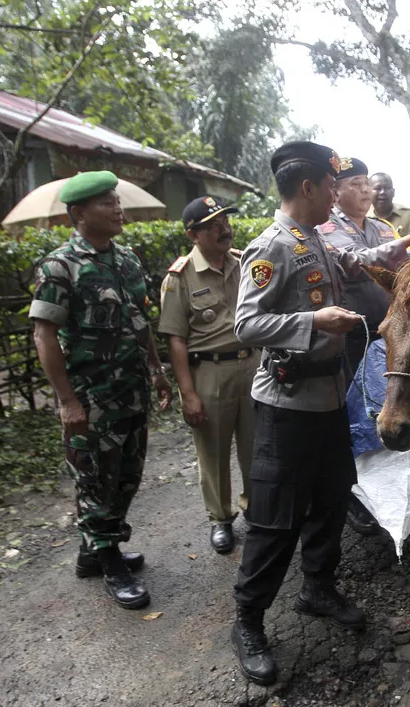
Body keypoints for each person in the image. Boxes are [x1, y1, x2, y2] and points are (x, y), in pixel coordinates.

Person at [230, 141, 410, 686]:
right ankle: (248, 619)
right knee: (275, 517)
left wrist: (399, 250)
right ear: (309, 188)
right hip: (287, 406)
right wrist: (314, 321)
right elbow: (245, 325)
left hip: (328, 400)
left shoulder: (316, 239)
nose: (340, 194)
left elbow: (356, 262)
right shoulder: (271, 246)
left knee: (332, 496)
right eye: (331, 184)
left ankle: (318, 588)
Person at [30, 170, 172, 609]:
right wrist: (68, 400)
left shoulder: (127, 259)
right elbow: (44, 334)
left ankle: (94, 550)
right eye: (105, 203)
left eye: (116, 200)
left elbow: (139, 318)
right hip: (91, 399)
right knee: (95, 480)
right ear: (78, 214)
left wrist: (156, 367)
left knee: (127, 476)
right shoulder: (60, 266)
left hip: (130, 391)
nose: (117, 208)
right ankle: (110, 562)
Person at [158, 196, 257, 554]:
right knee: (212, 451)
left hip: (251, 366)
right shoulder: (180, 277)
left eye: (225, 221)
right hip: (210, 372)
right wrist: (188, 393)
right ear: (193, 235)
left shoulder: (245, 261)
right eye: (213, 225)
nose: (224, 229)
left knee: (255, 445)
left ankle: (255, 508)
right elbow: (175, 339)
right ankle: (220, 519)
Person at [319, 157, 398, 536]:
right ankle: (354, 494)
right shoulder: (326, 227)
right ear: (335, 191)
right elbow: (353, 264)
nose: (365, 190)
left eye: (367, 182)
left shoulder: (384, 228)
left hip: (387, 338)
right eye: (355, 183)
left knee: (385, 410)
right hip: (350, 339)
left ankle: (387, 489)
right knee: (350, 413)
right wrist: (409, 244)